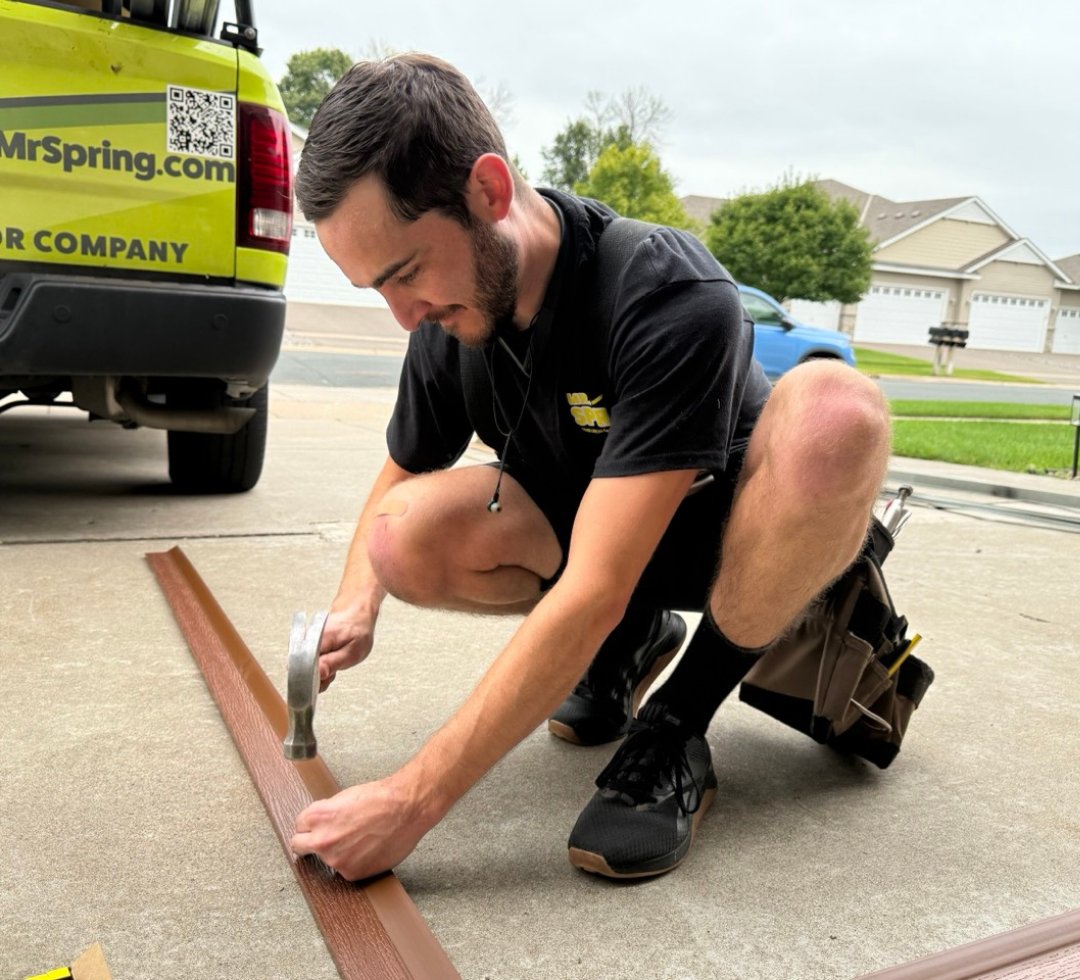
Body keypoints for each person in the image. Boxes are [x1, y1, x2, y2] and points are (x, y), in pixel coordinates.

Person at [287, 52, 891, 881]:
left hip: (728, 550)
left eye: (406, 273)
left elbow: (597, 583)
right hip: (606, 551)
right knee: (401, 537)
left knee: (837, 410)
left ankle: (677, 721)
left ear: (488, 191)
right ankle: (634, 639)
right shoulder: (450, 316)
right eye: (376, 290)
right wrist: (356, 604)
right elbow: (400, 471)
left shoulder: (663, 293)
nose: (403, 316)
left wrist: (411, 800)